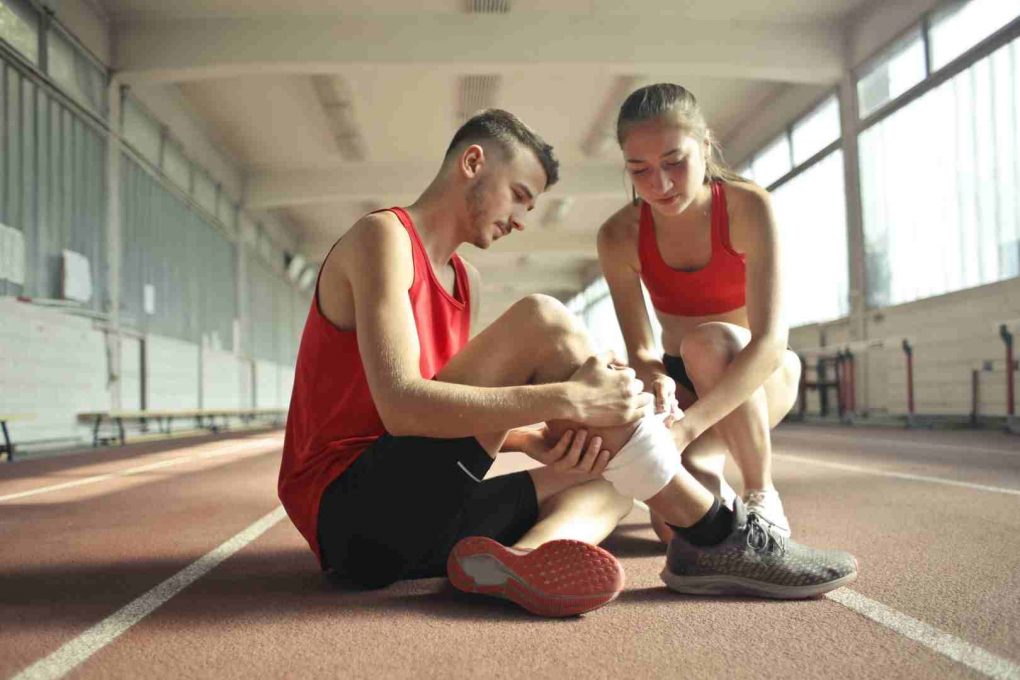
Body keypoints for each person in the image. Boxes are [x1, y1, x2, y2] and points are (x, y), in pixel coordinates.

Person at [278, 109, 857, 619]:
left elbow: (444, 418)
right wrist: (567, 400)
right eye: (521, 195)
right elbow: (404, 409)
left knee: (611, 470)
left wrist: (533, 438)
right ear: (473, 163)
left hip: (417, 529)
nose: (522, 219)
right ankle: (715, 532)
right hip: (351, 518)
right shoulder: (383, 238)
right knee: (542, 318)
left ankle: (523, 560)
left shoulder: (465, 280)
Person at [597, 83, 801, 541]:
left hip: (758, 373)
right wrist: (656, 380)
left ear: (705, 145)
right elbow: (643, 349)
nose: (660, 184)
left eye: (674, 162)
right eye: (639, 169)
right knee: (676, 531)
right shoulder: (618, 236)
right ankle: (710, 471)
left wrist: (687, 429)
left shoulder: (750, 208)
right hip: (683, 384)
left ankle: (761, 494)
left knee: (709, 342)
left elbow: (770, 343)